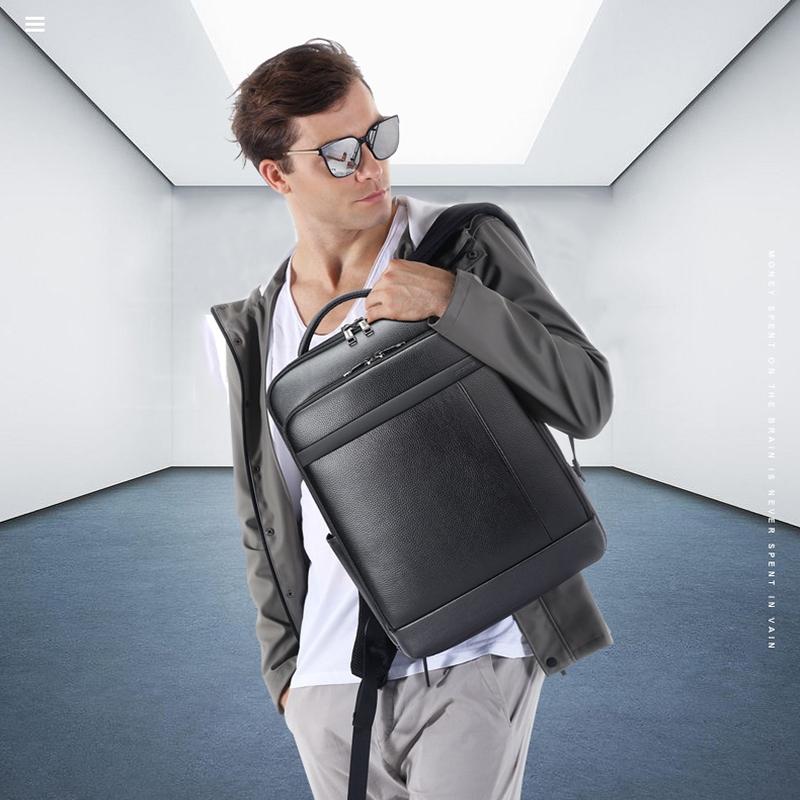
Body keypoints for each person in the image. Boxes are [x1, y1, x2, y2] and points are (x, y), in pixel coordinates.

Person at [216, 37, 614, 800]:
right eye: (337, 154)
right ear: (277, 175)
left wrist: (456, 303)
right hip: (328, 678)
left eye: (377, 136)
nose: (370, 166)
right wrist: (285, 675)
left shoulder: (461, 245)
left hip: (478, 649)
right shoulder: (250, 330)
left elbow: (586, 398)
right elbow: (265, 516)